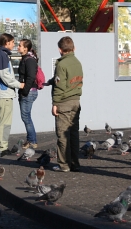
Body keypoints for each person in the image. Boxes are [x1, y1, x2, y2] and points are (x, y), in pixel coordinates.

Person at [49, 36, 83, 172]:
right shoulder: (77, 62)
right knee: (74, 135)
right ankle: (75, 163)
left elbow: (60, 86)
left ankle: (64, 165)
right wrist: (51, 81)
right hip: (76, 101)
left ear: (60, 50)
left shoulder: (61, 64)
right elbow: (71, 80)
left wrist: (55, 103)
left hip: (64, 103)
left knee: (63, 135)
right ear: (73, 48)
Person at [0, 33, 24, 157]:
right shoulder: (2, 55)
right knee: (3, 122)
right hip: (3, 94)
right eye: (13, 42)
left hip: (4, 94)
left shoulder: (1, 54)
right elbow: (4, 75)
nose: (14, 44)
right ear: (7, 42)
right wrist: (18, 85)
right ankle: (1, 148)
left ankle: (3, 146)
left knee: (5, 122)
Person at [17, 39, 38, 149]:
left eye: (20, 45)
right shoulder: (26, 59)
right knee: (26, 116)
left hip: (28, 92)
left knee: (26, 117)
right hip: (28, 91)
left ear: (26, 48)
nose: (18, 47)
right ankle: (31, 139)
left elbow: (31, 77)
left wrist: (24, 91)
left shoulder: (29, 60)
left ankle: (32, 140)